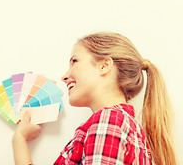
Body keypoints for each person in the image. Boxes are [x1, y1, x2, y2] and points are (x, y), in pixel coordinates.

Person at [12, 32, 178, 165]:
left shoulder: (108, 120)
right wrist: (19, 139)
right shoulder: (117, 123)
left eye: (74, 61)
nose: (64, 76)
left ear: (104, 65)